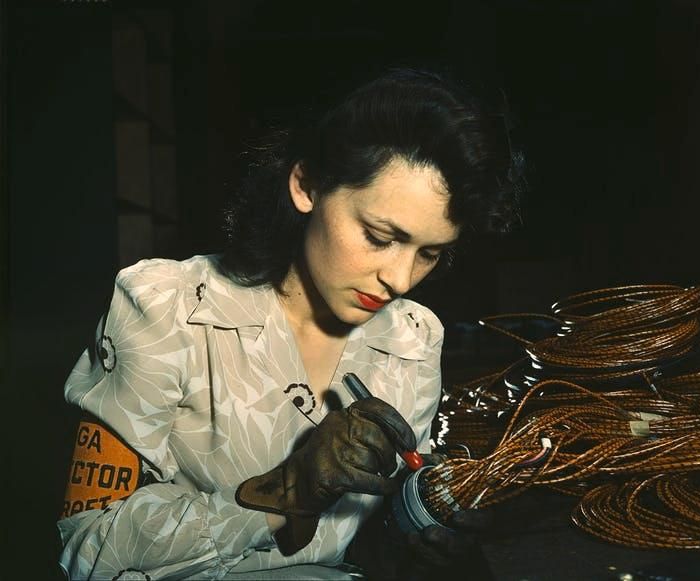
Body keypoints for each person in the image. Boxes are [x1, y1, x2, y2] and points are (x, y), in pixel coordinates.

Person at [56, 68, 520, 580]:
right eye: (379, 236)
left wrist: (430, 525)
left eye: (429, 253)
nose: (401, 278)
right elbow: (85, 549)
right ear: (307, 185)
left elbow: (374, 533)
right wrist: (288, 490)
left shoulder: (413, 338)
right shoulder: (169, 307)